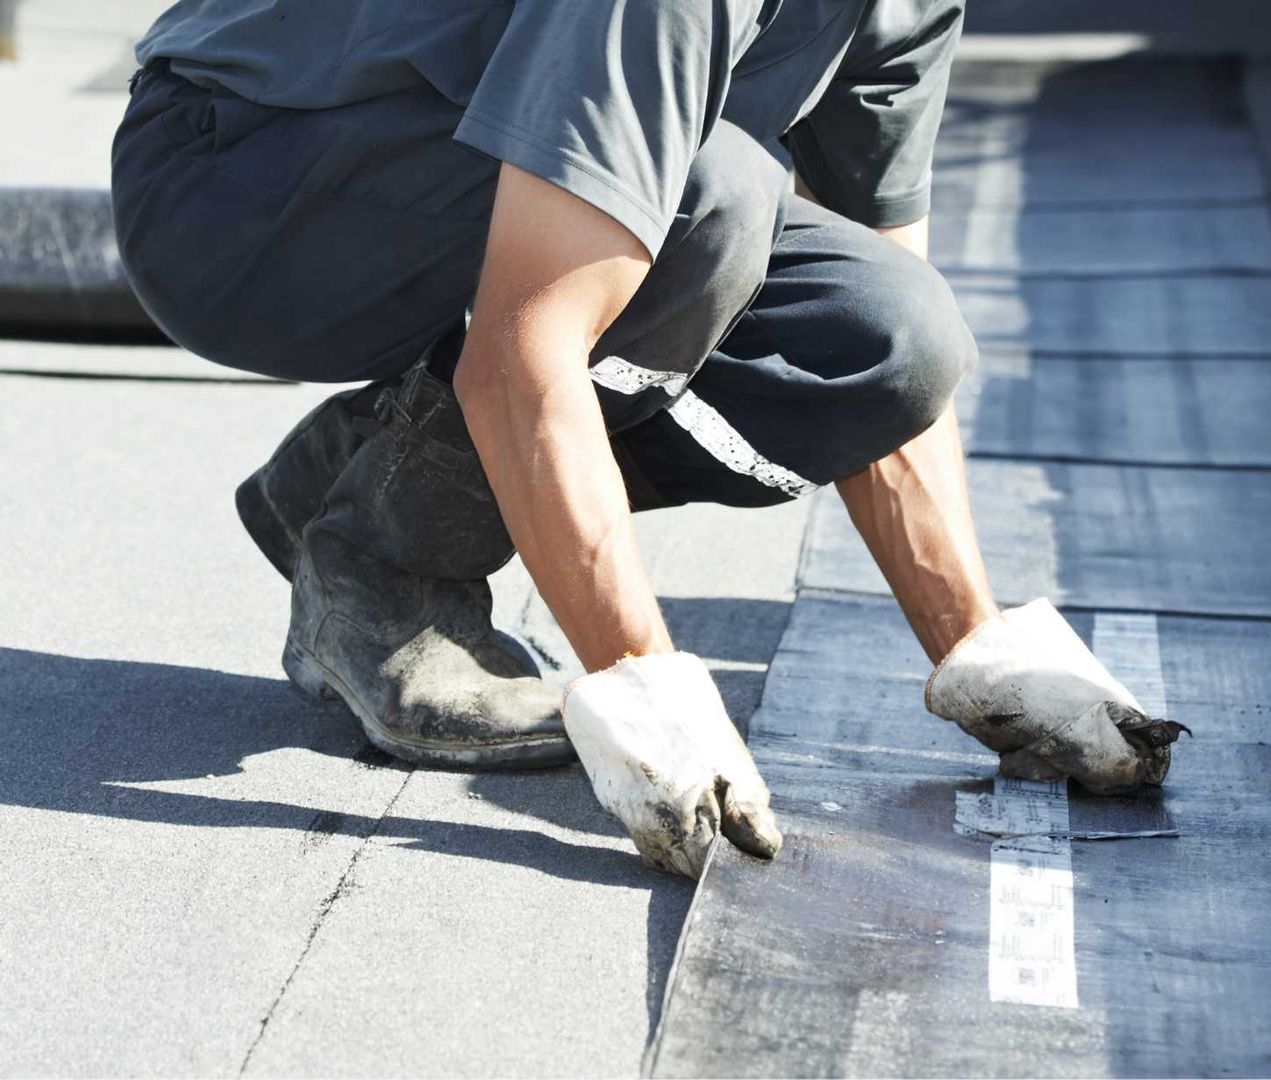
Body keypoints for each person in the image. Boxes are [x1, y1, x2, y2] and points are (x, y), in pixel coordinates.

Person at [111, 0, 1184, 877]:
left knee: (886, 336)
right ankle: (382, 572)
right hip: (240, 173)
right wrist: (642, 680)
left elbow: (883, 308)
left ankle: (359, 469)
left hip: (451, 178)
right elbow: (527, 343)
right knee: (708, 201)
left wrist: (979, 648)